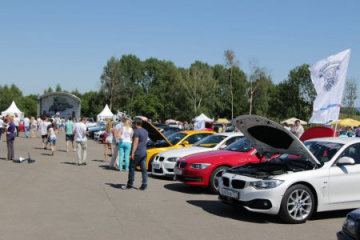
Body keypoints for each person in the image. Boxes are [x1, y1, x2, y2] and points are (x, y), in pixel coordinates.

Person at [123, 118, 149, 190]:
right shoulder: (145, 131)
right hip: (144, 152)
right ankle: (144, 185)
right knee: (144, 169)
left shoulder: (136, 131)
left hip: (138, 152)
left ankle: (130, 184)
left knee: (132, 168)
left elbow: (135, 142)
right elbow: (145, 141)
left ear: (137, 124)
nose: (133, 125)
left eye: (134, 123)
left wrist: (133, 153)